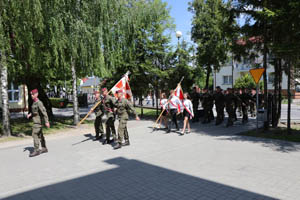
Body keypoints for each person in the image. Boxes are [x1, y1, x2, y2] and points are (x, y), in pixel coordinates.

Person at [27, 89, 50, 157]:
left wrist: (47, 121)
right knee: (40, 135)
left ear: (36, 94)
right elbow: (35, 111)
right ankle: (44, 148)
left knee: (34, 134)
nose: (31, 96)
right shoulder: (34, 102)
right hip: (36, 121)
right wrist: (30, 114)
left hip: (38, 122)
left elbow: (44, 112)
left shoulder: (39, 103)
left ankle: (36, 150)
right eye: (31, 94)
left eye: (33, 94)